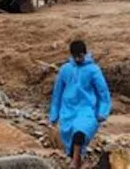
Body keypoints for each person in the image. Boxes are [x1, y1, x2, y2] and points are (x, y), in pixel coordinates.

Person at [48, 38, 112, 168]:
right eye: (75, 56)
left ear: (85, 54)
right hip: (68, 111)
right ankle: (77, 161)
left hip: (87, 110)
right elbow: (57, 94)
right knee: (71, 140)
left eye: (80, 56)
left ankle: (75, 163)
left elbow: (103, 93)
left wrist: (102, 112)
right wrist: (54, 115)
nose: (78, 59)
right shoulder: (65, 70)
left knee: (80, 132)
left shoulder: (93, 70)